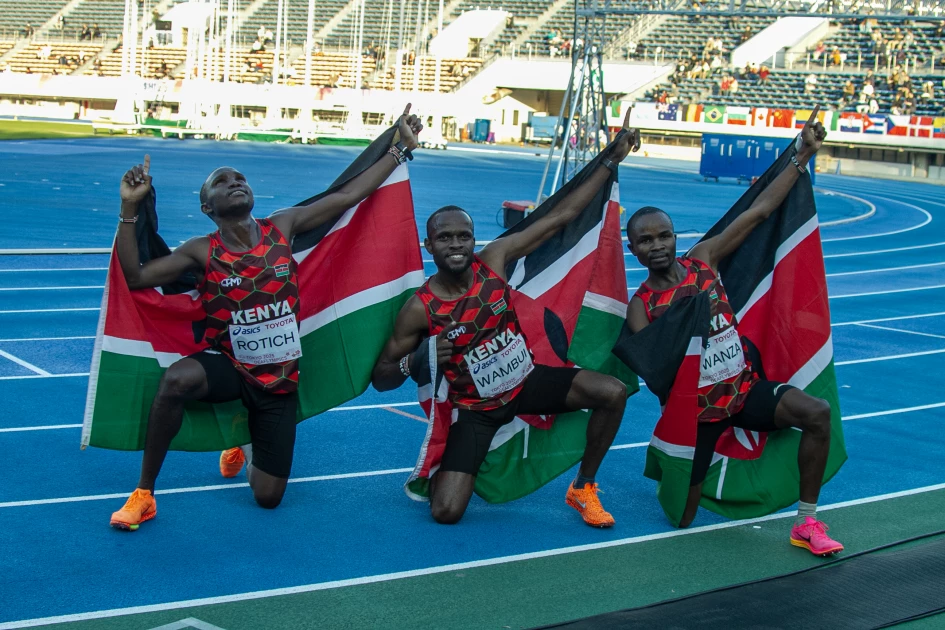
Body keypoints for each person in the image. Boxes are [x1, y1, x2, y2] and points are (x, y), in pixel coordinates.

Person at [106, 106, 423, 531]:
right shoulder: (203, 250)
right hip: (231, 367)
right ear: (207, 206)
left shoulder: (282, 226)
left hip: (279, 380)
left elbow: (347, 197)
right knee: (176, 380)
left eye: (240, 177)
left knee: (268, 498)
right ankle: (145, 493)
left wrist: (399, 151)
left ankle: (243, 440)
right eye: (221, 181)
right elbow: (137, 275)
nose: (234, 182)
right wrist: (130, 208)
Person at [370, 119, 642, 528]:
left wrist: (609, 158)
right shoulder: (419, 308)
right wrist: (418, 361)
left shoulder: (493, 260)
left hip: (527, 383)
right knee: (445, 512)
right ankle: (459, 464)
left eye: (464, 236)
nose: (457, 244)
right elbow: (382, 377)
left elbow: (561, 216)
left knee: (613, 392)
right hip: (476, 410)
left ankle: (584, 487)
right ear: (430, 246)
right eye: (445, 238)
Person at [623, 108, 843, 556]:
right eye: (646, 241)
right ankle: (677, 466)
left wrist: (801, 157)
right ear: (634, 250)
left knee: (816, 413)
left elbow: (760, 211)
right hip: (697, 413)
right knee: (682, 517)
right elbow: (656, 379)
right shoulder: (640, 307)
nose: (658, 245)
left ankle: (806, 521)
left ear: (673, 236)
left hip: (743, 392)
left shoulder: (704, 258)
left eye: (664, 235)